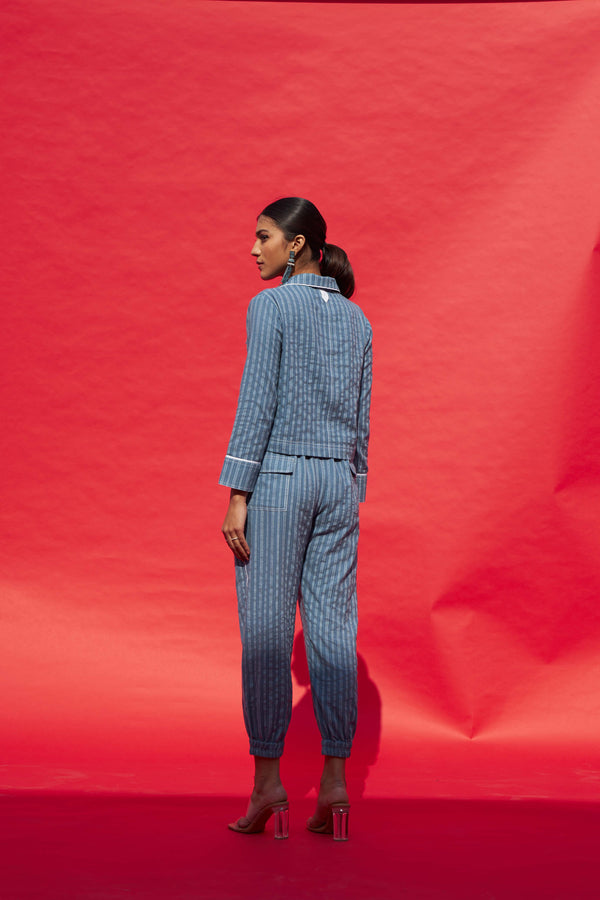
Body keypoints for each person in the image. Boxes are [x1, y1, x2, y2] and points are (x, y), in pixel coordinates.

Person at [219, 197, 372, 840]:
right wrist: (350, 486)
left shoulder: (270, 307)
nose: (253, 250)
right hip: (339, 482)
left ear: (299, 244)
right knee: (334, 631)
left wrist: (235, 489)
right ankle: (335, 784)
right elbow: (362, 420)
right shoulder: (359, 320)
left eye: (263, 238)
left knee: (266, 631)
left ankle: (267, 785)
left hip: (278, 480)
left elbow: (258, 398)